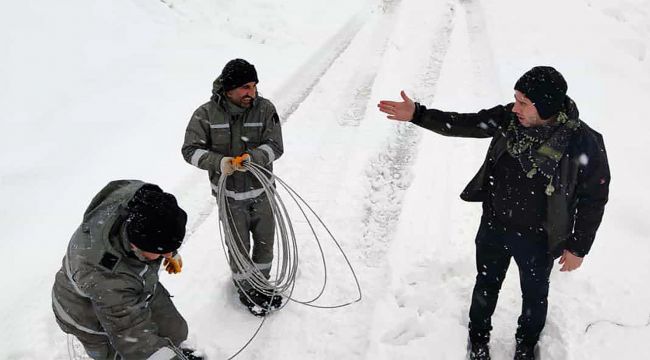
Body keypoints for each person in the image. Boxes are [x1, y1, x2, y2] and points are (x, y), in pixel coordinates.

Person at [378, 66, 610, 360]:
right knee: (485, 285)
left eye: (524, 102)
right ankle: (478, 339)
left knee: (535, 298)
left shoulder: (583, 141)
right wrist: (418, 115)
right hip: (495, 226)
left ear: (547, 105)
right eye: (515, 99)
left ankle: (526, 345)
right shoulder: (509, 120)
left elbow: (594, 198)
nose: (515, 107)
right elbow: (466, 123)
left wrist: (578, 246)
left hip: (539, 239)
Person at [52, 180, 203, 360]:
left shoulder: (139, 204)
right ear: (135, 245)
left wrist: (168, 251)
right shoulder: (103, 275)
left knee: (174, 329)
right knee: (119, 354)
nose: (168, 254)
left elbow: (157, 222)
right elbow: (134, 338)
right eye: (161, 251)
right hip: (85, 312)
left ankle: (174, 351)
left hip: (133, 283)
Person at [182, 58, 284, 316]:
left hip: (262, 194)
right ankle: (245, 290)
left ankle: (262, 284)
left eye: (254, 86)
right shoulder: (205, 114)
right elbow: (190, 150)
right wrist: (220, 162)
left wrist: (254, 158)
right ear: (228, 89)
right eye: (245, 87)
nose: (252, 92)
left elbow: (275, 146)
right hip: (229, 196)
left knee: (264, 245)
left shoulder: (265, 109)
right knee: (238, 247)